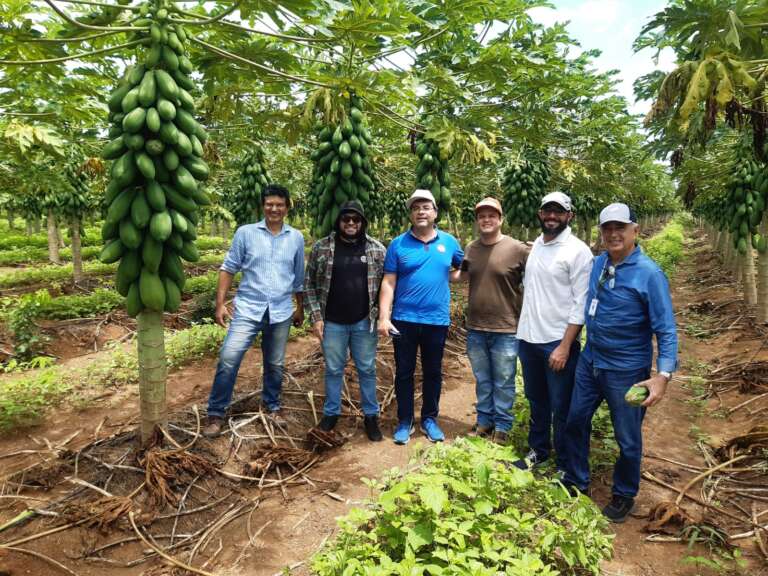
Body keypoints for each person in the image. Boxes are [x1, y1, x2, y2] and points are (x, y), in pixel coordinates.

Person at [562, 203, 677, 523]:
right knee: (574, 421)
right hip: (591, 361)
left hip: (627, 370)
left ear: (634, 231)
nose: (613, 234)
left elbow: (666, 328)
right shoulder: (598, 263)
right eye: (607, 228)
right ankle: (575, 480)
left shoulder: (649, 274)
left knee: (627, 438)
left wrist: (662, 375)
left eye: (620, 228)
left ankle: (624, 493)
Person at [203, 184, 305, 438]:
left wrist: (300, 307)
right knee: (229, 358)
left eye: (279, 205)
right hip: (248, 308)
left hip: (281, 310)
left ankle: (272, 406)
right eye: (269, 204)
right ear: (263, 206)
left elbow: (298, 277)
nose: (274, 209)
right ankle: (216, 413)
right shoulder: (246, 233)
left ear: (287, 207)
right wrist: (220, 303)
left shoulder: (296, 238)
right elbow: (228, 268)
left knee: (275, 363)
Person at [514, 191, 593, 470]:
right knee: (536, 401)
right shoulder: (536, 244)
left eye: (558, 211)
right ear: (539, 213)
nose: (551, 216)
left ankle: (565, 462)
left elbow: (581, 303)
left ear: (569, 216)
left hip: (557, 343)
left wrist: (565, 346)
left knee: (562, 406)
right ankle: (539, 450)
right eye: (547, 210)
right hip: (529, 339)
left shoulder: (578, 251)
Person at [378, 189, 464, 444]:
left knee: (433, 372)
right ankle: (405, 421)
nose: (421, 211)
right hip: (404, 319)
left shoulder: (449, 243)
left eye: (426, 207)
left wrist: (455, 275)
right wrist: (384, 317)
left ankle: (429, 419)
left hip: (436, 320)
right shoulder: (398, 244)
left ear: (435, 212)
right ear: (411, 213)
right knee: (404, 372)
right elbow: (389, 282)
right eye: (416, 208)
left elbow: (459, 269)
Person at [304, 200, 386, 442]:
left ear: (362, 223)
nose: (351, 223)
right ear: (338, 221)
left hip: (364, 322)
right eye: (346, 219)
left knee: (367, 369)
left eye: (356, 220)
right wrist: (316, 317)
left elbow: (387, 285)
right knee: (333, 369)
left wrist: (383, 315)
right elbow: (308, 284)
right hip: (332, 323)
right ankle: (331, 413)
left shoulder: (377, 249)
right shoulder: (321, 248)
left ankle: (371, 416)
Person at [456, 197, 530, 444]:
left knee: (504, 380)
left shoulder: (517, 249)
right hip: (476, 326)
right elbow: (463, 276)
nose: (486, 220)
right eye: (481, 216)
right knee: (483, 379)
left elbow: (536, 280)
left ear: (501, 219)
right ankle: (484, 421)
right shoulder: (471, 248)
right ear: (478, 221)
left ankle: (503, 427)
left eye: (491, 216)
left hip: (506, 328)